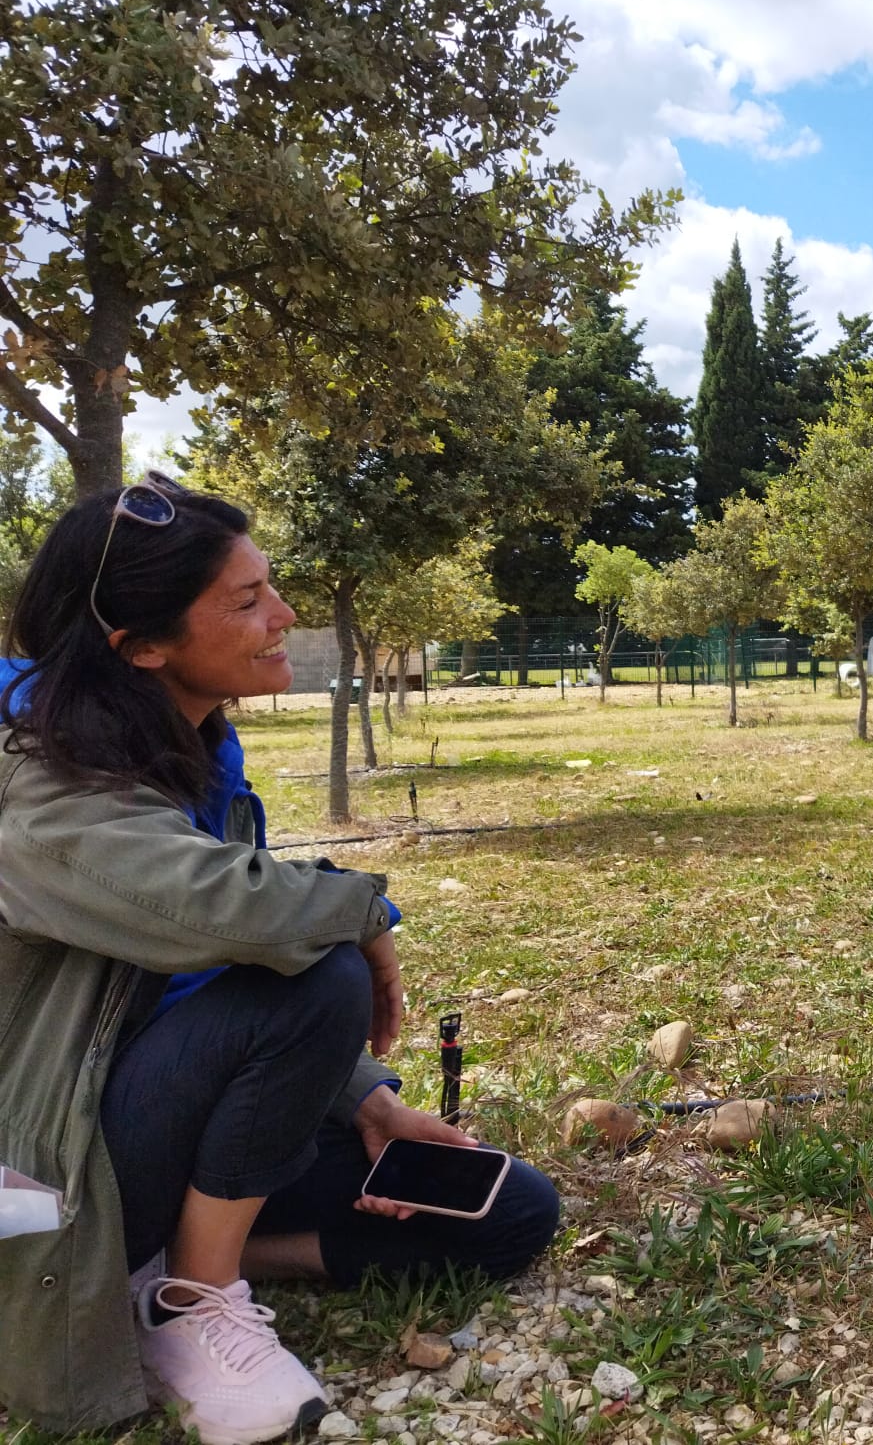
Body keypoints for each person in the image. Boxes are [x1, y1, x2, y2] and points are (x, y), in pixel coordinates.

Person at [0, 475, 560, 1443]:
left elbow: (208, 981)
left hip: (132, 1123)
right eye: (247, 599)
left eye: (272, 586)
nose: (284, 616)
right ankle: (191, 1297)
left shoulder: (190, 758)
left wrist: (369, 1101)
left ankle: (168, 1266)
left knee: (507, 1213)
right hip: (46, 1160)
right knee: (327, 970)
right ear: (140, 647)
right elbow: (244, 922)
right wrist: (367, 907)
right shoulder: (44, 793)